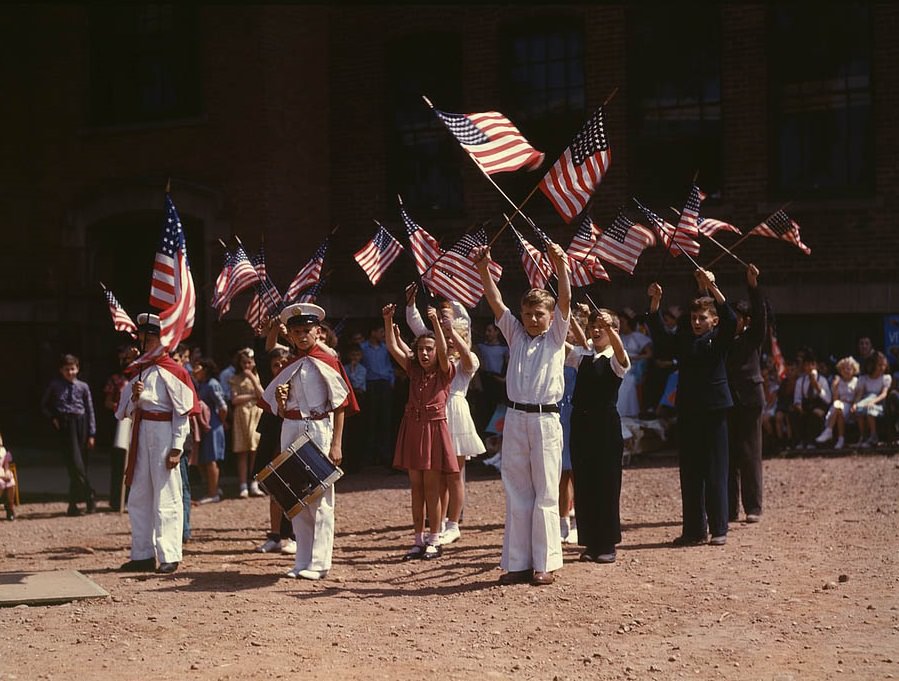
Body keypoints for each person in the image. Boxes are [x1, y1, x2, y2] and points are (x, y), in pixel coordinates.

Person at [474, 239, 571, 586]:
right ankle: (517, 562)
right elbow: (496, 302)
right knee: (516, 488)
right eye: (528, 313)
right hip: (515, 418)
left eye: (538, 314)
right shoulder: (514, 334)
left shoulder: (557, 336)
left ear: (549, 317)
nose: (532, 319)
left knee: (545, 490)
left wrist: (560, 266)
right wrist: (484, 269)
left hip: (546, 419)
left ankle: (544, 564)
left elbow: (565, 301)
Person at [258, 303, 358, 580]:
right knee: (294, 496)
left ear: (318, 332)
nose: (302, 336)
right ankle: (301, 560)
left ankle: (320, 562)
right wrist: (279, 402)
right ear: (288, 335)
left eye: (307, 330)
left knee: (320, 498)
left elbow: (340, 404)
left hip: (317, 429)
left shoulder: (327, 362)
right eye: (296, 331)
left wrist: (336, 443)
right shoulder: (289, 365)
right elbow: (277, 406)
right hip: (290, 427)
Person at [646, 268, 736, 547]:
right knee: (691, 471)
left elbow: (731, 319)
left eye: (702, 318)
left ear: (713, 321)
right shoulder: (684, 338)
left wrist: (712, 286)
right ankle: (694, 530)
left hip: (714, 409)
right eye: (694, 318)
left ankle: (719, 527)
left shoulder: (720, 337)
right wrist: (655, 303)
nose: (697, 322)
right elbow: (661, 338)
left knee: (716, 468)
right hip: (688, 409)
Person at [116, 313, 198, 574]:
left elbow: (181, 412)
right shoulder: (139, 371)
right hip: (141, 434)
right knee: (139, 495)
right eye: (142, 337)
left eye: (149, 337)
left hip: (164, 433)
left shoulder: (174, 372)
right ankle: (142, 553)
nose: (144, 341)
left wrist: (176, 447)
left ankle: (169, 554)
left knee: (167, 496)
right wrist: (135, 398)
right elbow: (124, 411)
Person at [405, 290, 483, 545]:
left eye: (454, 339)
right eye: (447, 339)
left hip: (456, 415)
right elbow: (418, 329)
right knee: (435, 474)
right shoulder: (436, 362)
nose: (449, 342)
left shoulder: (466, 362)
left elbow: (467, 356)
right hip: (434, 417)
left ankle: (454, 523)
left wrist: (452, 330)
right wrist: (410, 305)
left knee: (455, 474)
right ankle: (437, 524)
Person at [384, 303, 457, 560]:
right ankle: (418, 539)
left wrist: (436, 322)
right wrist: (387, 320)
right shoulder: (413, 370)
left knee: (432, 487)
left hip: (435, 429)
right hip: (413, 427)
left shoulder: (445, 372)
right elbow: (393, 347)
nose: (425, 354)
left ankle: (435, 539)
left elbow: (445, 351)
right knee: (416, 487)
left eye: (429, 349)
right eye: (421, 350)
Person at [568, 308, 630, 563]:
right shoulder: (583, 355)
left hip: (605, 426)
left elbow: (622, 356)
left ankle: (607, 543)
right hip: (581, 424)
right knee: (584, 482)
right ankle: (590, 542)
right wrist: (569, 316)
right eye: (593, 326)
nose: (595, 331)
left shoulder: (614, 358)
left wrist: (613, 330)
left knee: (606, 483)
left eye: (601, 327)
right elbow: (564, 341)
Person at [725, 264, 767, 524]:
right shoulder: (721, 339)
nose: (733, 321)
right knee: (728, 455)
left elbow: (761, 315)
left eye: (737, 317)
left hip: (750, 399)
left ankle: (753, 507)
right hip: (727, 400)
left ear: (745, 320)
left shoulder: (752, 337)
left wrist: (753, 287)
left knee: (750, 454)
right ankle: (729, 509)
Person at [253, 344, 297, 556]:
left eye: (283, 364)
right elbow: (262, 351)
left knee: (290, 486)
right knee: (270, 482)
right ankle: (275, 535)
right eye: (275, 364)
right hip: (271, 433)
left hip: (291, 434)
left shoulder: (298, 383)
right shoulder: (270, 384)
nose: (279, 367)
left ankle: (292, 536)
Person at [41, 353, 97, 517]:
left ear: (77, 369)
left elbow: (90, 410)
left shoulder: (83, 387)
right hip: (65, 426)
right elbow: (44, 405)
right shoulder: (55, 385)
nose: (70, 372)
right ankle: (89, 494)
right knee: (74, 464)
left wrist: (92, 433)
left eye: (73, 369)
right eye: (66, 369)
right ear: (61, 370)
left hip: (81, 424)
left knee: (80, 465)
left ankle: (74, 504)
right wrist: (53, 418)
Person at [559, 304, 590, 545]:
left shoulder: (583, 353)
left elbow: (582, 349)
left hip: (576, 415)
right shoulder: (554, 348)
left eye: (573, 328)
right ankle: (562, 522)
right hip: (557, 415)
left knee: (578, 473)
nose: (568, 332)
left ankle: (580, 522)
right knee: (561, 474)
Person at [103, 342, 139, 511]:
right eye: (123, 358)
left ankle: (134, 498)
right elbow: (108, 401)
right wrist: (122, 407)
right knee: (120, 460)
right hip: (122, 422)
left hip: (140, 422)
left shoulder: (141, 376)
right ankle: (117, 500)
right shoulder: (116, 379)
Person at [229, 349, 264, 498]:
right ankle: (243, 484)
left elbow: (262, 395)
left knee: (255, 450)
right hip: (242, 415)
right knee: (242, 451)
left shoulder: (258, 376)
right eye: (244, 362)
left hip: (256, 414)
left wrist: (253, 380)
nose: (247, 365)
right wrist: (251, 396)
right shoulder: (235, 378)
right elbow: (234, 399)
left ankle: (254, 483)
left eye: (249, 362)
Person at [193, 357, 228, 503]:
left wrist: (220, 421)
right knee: (203, 459)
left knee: (211, 460)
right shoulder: (201, 384)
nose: (195, 370)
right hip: (205, 427)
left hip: (213, 426)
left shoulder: (212, 384)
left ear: (205, 369)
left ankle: (213, 493)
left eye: (197, 367)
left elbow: (222, 406)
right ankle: (211, 488)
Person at [360, 322, 395, 467]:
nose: (382, 335)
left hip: (384, 384)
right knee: (370, 420)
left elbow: (390, 366)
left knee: (385, 420)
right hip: (371, 385)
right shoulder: (363, 348)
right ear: (373, 332)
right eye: (380, 331)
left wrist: (391, 380)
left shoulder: (386, 348)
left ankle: (385, 456)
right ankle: (370, 457)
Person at [815, 357, 859, 449]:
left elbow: (857, 396)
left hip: (850, 406)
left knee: (839, 409)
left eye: (848, 368)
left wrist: (854, 405)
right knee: (838, 408)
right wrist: (834, 388)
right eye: (843, 368)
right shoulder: (838, 381)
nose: (846, 371)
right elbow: (835, 400)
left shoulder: (856, 381)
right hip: (838, 405)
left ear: (854, 370)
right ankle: (840, 439)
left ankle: (829, 431)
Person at [791, 349, 832, 449]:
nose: (809, 367)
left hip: (819, 405)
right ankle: (800, 441)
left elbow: (828, 399)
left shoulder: (822, 380)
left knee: (815, 414)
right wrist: (798, 405)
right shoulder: (800, 381)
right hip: (806, 405)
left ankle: (812, 442)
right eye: (807, 365)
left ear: (816, 366)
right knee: (795, 413)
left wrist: (817, 387)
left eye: (812, 365)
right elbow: (797, 398)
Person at [616, 310, 652, 418]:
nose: (621, 325)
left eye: (622, 322)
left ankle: (633, 410)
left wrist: (634, 358)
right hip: (621, 364)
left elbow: (649, 354)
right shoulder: (619, 337)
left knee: (629, 379)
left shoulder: (637, 336)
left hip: (635, 364)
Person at [475, 321, 509, 434]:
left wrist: (504, 379)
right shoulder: (480, 347)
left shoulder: (504, 349)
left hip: (498, 381)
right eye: (486, 331)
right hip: (485, 380)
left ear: (497, 332)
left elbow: (509, 365)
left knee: (497, 410)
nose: (487, 333)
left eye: (490, 331)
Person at [853, 351, 892, 447]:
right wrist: (855, 404)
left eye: (884, 365)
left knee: (869, 410)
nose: (882, 368)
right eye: (879, 365)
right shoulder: (864, 379)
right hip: (866, 401)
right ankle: (863, 436)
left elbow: (884, 394)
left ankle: (873, 436)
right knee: (858, 409)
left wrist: (872, 402)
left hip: (879, 404)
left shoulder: (886, 378)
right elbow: (860, 394)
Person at [341, 344, 367, 473]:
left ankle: (358, 464)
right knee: (347, 432)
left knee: (358, 432)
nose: (355, 358)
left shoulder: (362, 369)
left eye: (357, 355)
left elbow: (356, 383)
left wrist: (352, 372)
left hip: (360, 398)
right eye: (353, 355)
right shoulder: (344, 368)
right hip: (348, 398)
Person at [1, 432, 16, 520]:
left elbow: (6, 465)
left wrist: (7, 472)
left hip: (2, 472)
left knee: (11, 482)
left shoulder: (3, 451)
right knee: (0, 483)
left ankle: (10, 507)